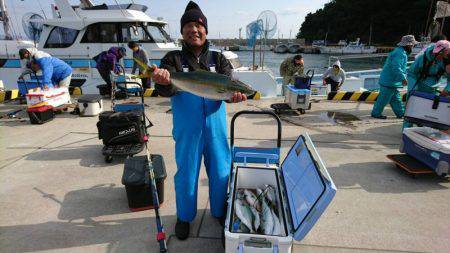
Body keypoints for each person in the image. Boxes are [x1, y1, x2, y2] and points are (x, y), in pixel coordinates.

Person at [152, 1, 246, 241]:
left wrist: (235, 98)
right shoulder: (172, 60)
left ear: (206, 31)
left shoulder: (219, 59)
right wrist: (162, 83)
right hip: (188, 130)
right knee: (187, 173)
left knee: (221, 170)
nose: (194, 30)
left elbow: (228, 90)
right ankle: (184, 216)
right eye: (188, 26)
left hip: (216, 129)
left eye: (198, 25)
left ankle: (219, 210)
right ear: (182, 32)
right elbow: (167, 92)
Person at [403, 40, 450, 127]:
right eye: (438, 53)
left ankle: (424, 131)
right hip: (418, 85)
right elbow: (411, 73)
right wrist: (413, 89)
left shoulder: (447, 61)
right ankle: (406, 130)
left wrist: (447, 89)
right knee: (411, 109)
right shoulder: (422, 58)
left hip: (433, 89)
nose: (438, 56)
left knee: (430, 113)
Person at [371, 35, 417, 119]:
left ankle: (401, 114)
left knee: (396, 99)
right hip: (389, 81)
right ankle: (376, 114)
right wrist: (403, 79)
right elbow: (396, 67)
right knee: (383, 100)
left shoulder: (399, 51)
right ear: (408, 45)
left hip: (391, 81)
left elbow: (397, 67)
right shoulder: (400, 53)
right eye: (412, 45)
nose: (413, 46)